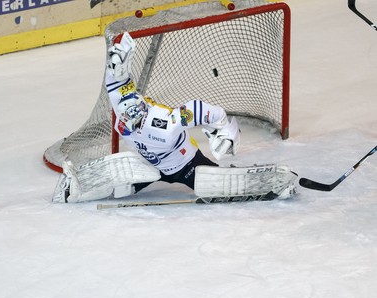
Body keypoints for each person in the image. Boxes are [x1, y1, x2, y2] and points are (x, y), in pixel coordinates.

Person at [52, 32, 295, 203]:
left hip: (186, 165)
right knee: (120, 185)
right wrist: (117, 64)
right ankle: (74, 188)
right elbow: (117, 84)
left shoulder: (163, 124)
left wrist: (223, 127)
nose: (125, 126)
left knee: (216, 186)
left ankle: (273, 183)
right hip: (151, 165)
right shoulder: (126, 105)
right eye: (125, 122)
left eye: (130, 124)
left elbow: (200, 109)